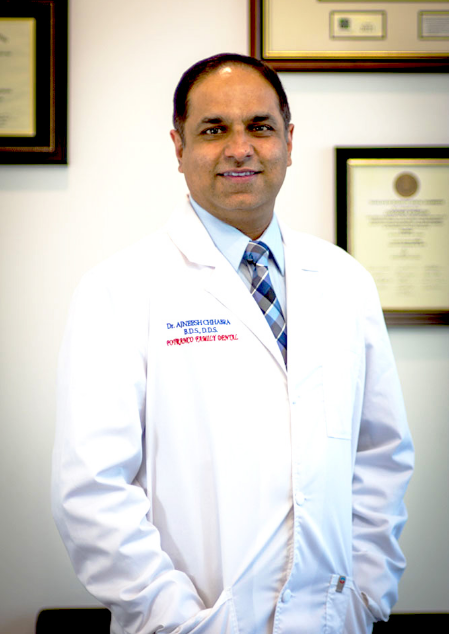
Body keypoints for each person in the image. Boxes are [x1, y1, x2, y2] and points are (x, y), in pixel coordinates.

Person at [52, 53, 414, 634]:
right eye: (213, 129)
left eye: (260, 127)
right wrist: (177, 621)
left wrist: (366, 596)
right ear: (178, 146)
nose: (239, 147)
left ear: (289, 141)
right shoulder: (119, 289)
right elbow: (92, 490)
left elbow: (381, 457)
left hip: (334, 621)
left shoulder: (345, 280)